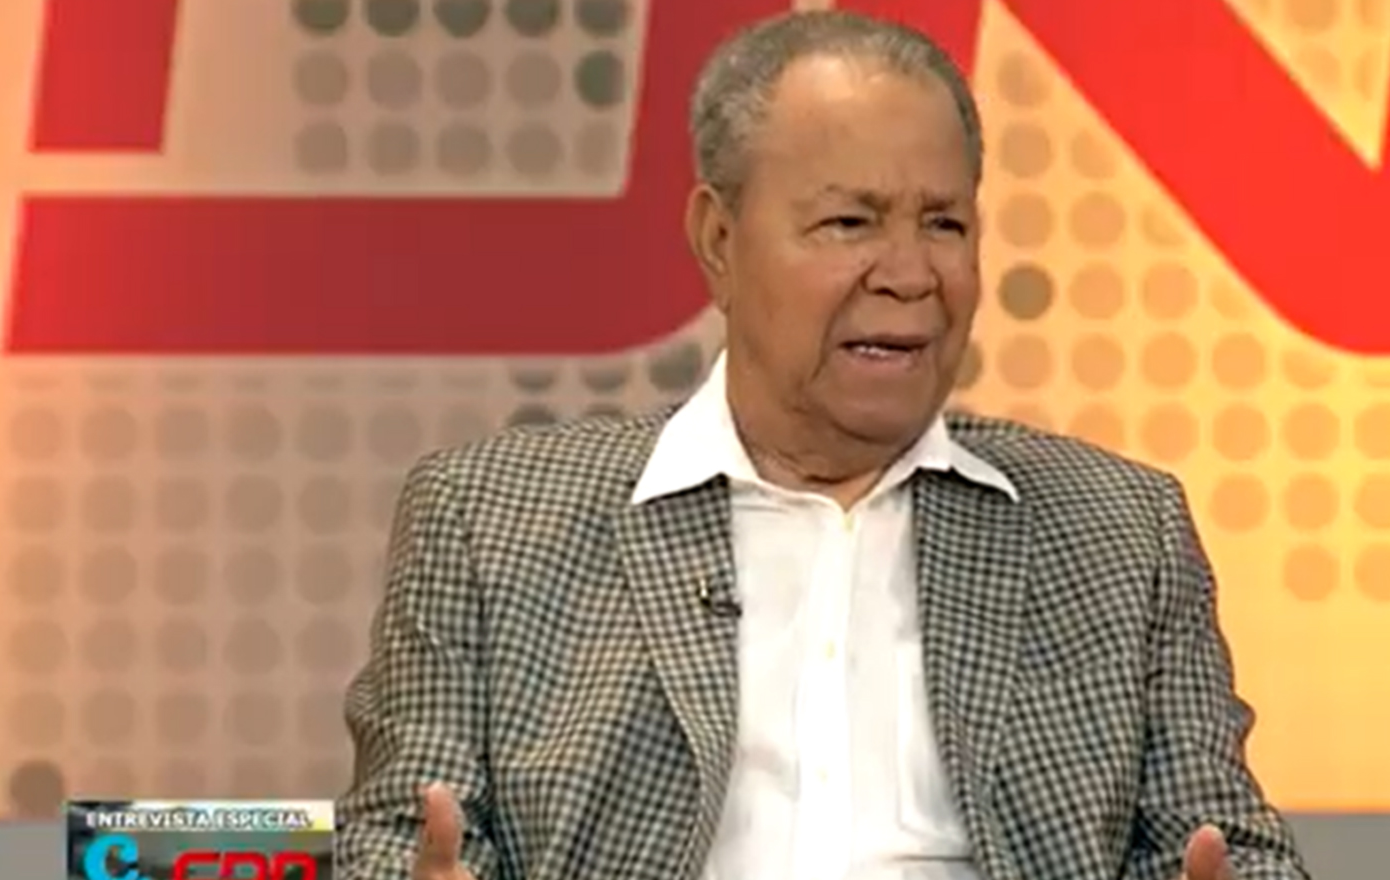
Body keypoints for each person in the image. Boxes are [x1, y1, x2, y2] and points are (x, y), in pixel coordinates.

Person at [336, 10, 1308, 880]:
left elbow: (1226, 846)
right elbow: (396, 839)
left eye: (944, 223)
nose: (910, 273)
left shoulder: (1117, 530)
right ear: (719, 240)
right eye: (850, 222)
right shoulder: (490, 520)